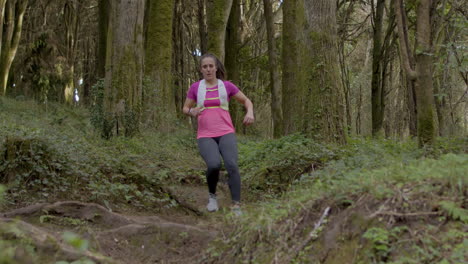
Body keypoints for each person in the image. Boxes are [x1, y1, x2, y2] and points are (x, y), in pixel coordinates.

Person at [183, 53, 254, 215]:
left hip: (226, 132)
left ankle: (236, 204)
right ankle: (212, 196)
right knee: (214, 164)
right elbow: (185, 108)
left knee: (231, 165)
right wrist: (191, 111)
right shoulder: (195, 87)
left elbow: (246, 101)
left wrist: (249, 112)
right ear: (201, 69)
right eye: (204, 66)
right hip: (205, 134)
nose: (208, 69)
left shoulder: (227, 86)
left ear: (216, 68)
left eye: (211, 66)